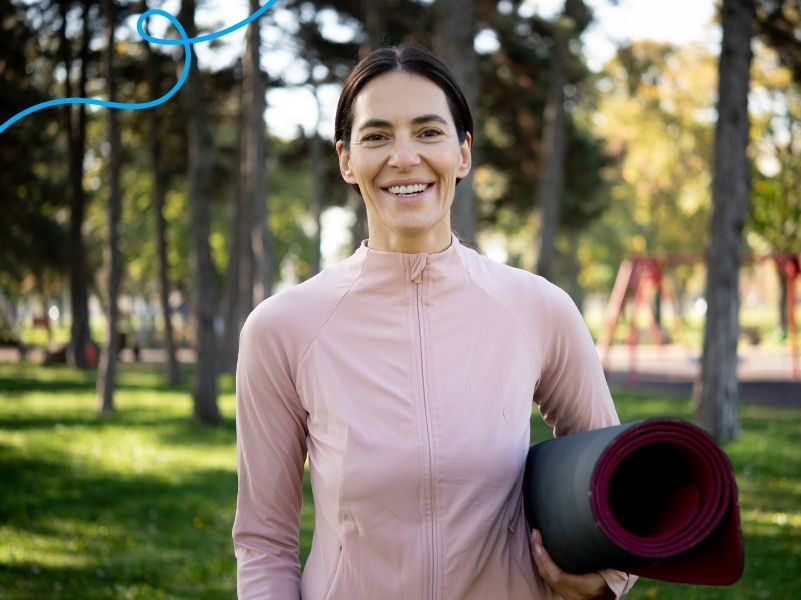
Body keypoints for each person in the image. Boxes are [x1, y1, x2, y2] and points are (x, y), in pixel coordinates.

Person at [232, 43, 636, 599]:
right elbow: (264, 542)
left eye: (428, 132)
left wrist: (603, 585)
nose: (404, 157)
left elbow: (619, 488)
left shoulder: (539, 309)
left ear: (463, 154)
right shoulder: (282, 328)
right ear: (346, 159)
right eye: (376, 136)